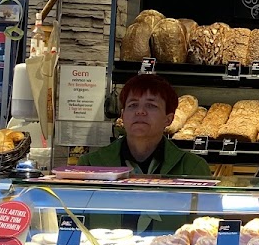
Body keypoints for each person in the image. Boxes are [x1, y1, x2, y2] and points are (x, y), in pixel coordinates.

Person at [79, 74, 212, 177]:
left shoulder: (193, 168)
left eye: (151, 105)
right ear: (123, 116)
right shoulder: (90, 165)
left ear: (168, 119)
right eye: (133, 105)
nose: (140, 111)